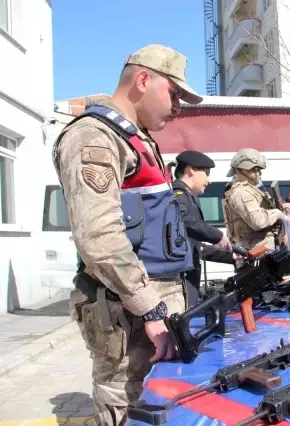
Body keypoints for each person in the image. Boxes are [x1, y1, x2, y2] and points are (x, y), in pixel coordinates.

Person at [53, 44, 203, 425]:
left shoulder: (136, 138)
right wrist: (150, 308)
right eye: (174, 93)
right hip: (130, 314)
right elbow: (98, 237)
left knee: (163, 404)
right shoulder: (94, 137)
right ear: (142, 80)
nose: (179, 106)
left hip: (150, 309)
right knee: (127, 402)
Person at [170, 150, 234, 307]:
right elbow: (183, 220)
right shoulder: (178, 193)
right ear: (191, 169)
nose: (209, 180)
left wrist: (231, 255)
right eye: (206, 173)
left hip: (188, 276)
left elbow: (195, 247)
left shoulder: (189, 196)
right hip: (180, 277)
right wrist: (217, 235)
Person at [223, 148, 287, 250]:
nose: (259, 174)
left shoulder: (249, 190)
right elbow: (258, 221)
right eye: (255, 169)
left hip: (261, 250)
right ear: (244, 170)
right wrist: (278, 213)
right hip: (256, 252)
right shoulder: (242, 192)